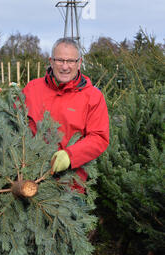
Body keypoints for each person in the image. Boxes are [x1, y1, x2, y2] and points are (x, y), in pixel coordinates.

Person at [21, 37, 109, 193]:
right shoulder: (32, 89)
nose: (65, 67)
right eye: (60, 60)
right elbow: (14, 122)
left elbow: (99, 137)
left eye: (71, 61)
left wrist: (70, 156)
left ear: (79, 63)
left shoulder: (93, 97)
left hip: (71, 184)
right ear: (51, 61)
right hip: (29, 180)